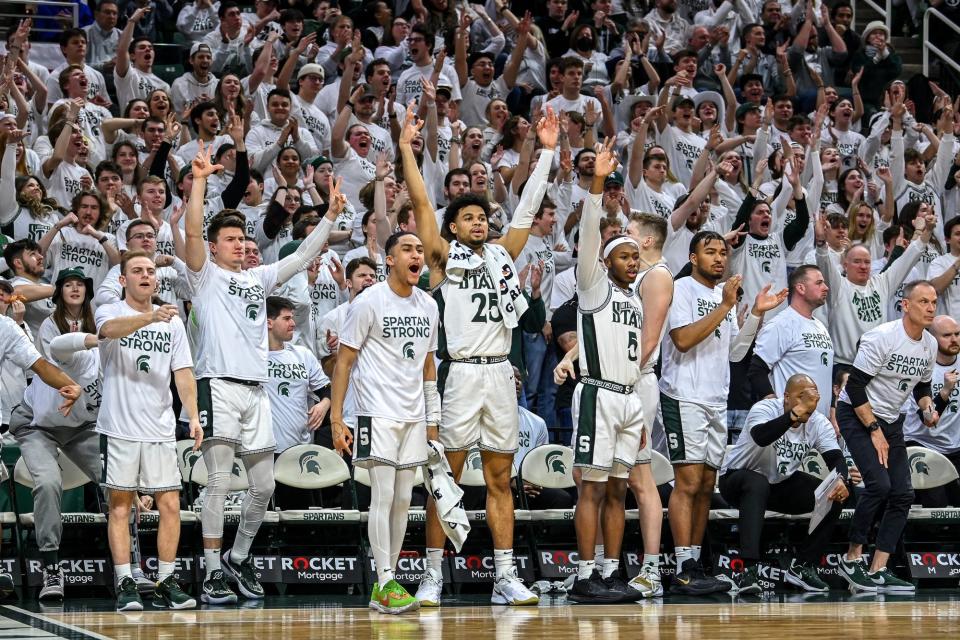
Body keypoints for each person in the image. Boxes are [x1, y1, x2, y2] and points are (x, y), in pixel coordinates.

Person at [402, 104, 557, 607]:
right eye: (467, 217)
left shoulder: (501, 255)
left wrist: (548, 153)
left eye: (483, 217)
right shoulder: (444, 261)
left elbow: (529, 211)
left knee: (499, 479)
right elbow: (423, 206)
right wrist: (407, 148)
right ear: (453, 228)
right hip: (461, 375)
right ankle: (432, 576)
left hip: (500, 377)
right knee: (443, 478)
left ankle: (505, 577)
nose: (478, 222)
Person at [183, 142, 341, 604]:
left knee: (264, 485)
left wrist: (330, 215)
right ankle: (212, 568)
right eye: (230, 239)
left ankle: (238, 556)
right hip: (217, 385)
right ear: (214, 249)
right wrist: (198, 183)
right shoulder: (204, 276)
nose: (239, 244)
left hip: (258, 392)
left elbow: (301, 257)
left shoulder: (257, 279)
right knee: (217, 480)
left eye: (241, 239)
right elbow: (193, 232)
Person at [659, 231, 787, 594]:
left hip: (716, 399)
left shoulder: (721, 296)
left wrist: (756, 316)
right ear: (693, 257)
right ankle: (683, 565)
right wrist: (726, 307)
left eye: (723, 253)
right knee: (686, 483)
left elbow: (734, 352)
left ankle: (696, 563)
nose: (719, 258)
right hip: (683, 395)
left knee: (704, 486)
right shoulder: (681, 289)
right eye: (710, 252)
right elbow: (682, 340)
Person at [331, 231, 439, 614]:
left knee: (405, 500)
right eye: (408, 249)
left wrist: (433, 418)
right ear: (389, 260)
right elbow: (344, 362)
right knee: (383, 495)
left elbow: (428, 366)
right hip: (376, 411)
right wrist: (337, 416)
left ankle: (386, 581)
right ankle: (386, 579)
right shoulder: (368, 302)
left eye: (420, 250)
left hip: (414, 415)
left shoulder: (428, 304)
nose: (417, 255)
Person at [95, 251, 201, 611]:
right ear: (123, 280)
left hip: (159, 428)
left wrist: (194, 416)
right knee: (120, 507)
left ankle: (166, 580)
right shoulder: (110, 309)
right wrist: (149, 317)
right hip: (120, 427)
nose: (145, 276)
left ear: (157, 279)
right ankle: (125, 580)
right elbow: (107, 332)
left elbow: (183, 372)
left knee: (170, 504)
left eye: (151, 271)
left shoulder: (172, 322)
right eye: (137, 271)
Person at [564, 139, 644, 604]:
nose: (631, 263)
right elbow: (592, 232)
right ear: (605, 260)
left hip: (628, 398)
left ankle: (613, 571)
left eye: (636, 257)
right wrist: (598, 185)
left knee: (620, 490)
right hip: (596, 393)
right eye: (623, 256)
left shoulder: (634, 297)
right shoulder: (593, 286)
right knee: (591, 490)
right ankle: (584, 574)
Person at [836, 280, 939, 592]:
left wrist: (927, 406)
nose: (931, 307)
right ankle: (851, 558)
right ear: (906, 305)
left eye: (934, 302)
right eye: (923, 301)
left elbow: (921, 385)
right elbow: (853, 387)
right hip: (856, 414)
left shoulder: (930, 344)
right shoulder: (881, 337)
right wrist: (874, 430)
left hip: (892, 419)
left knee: (903, 494)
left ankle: (878, 567)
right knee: (879, 485)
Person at [718, 374, 850, 593]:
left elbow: (836, 458)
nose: (809, 402)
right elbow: (762, 436)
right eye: (801, 396)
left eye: (812, 397)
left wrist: (841, 480)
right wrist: (795, 413)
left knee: (833, 496)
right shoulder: (765, 408)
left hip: (779, 483)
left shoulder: (818, 422)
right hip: (737, 479)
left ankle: (803, 566)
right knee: (757, 483)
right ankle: (748, 570)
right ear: (786, 397)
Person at [750, 265, 835, 415]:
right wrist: (776, 410)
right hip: (791, 424)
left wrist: (832, 413)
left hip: (820, 424)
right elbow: (756, 370)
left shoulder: (820, 325)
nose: (826, 287)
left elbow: (825, 374)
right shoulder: (781, 324)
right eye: (819, 283)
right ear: (801, 288)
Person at [902, 315, 960, 507]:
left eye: (957, 334)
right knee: (936, 506)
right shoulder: (919, 367)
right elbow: (927, 420)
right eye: (947, 335)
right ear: (932, 339)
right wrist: (944, 392)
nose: (954, 339)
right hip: (923, 444)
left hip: (955, 445)